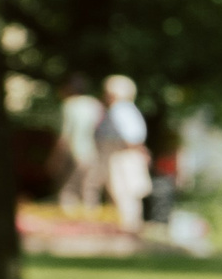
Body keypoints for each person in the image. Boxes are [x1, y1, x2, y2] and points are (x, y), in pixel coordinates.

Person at [94, 75, 152, 231]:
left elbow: (132, 137)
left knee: (122, 193)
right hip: (125, 155)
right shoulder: (127, 108)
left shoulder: (119, 109)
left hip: (122, 156)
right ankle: (129, 228)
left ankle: (127, 230)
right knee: (127, 195)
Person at [50, 75, 105, 212]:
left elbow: (65, 135)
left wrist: (55, 158)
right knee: (90, 189)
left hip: (74, 152)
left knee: (68, 189)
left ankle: (69, 225)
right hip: (94, 152)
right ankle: (92, 220)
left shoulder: (69, 105)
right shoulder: (94, 104)